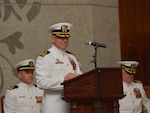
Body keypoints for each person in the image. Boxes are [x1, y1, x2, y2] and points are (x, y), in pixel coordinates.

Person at [35, 22, 82, 113]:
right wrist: (63, 80)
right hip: (54, 107)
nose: (64, 40)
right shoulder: (45, 57)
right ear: (53, 39)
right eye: (61, 37)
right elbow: (41, 82)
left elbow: (78, 75)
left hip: (73, 105)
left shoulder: (71, 57)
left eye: (66, 38)